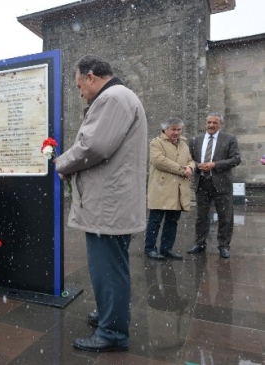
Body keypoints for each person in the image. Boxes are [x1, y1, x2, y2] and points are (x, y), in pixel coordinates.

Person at [54, 55, 147, 352]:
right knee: (109, 268)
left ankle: (113, 332)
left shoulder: (113, 98)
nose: (80, 92)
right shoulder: (121, 97)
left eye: (80, 85)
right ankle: (111, 315)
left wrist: (61, 163)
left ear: (91, 76)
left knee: (108, 269)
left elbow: (94, 146)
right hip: (111, 201)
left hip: (109, 203)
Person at [187, 112, 240, 259]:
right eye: (209, 122)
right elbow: (189, 159)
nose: (211, 125)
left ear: (220, 124)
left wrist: (215, 165)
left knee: (225, 217)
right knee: (201, 216)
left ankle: (224, 246)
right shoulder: (195, 140)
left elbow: (236, 159)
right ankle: (199, 243)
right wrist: (198, 166)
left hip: (222, 185)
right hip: (202, 183)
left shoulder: (229, 139)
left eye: (214, 123)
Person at [144, 118, 195, 261]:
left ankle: (166, 248)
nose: (176, 132)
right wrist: (181, 169)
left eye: (179, 129)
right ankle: (150, 249)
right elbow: (159, 161)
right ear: (165, 129)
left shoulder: (183, 144)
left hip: (178, 189)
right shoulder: (156, 142)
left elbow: (190, 160)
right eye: (173, 129)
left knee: (172, 221)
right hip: (161, 188)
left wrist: (190, 167)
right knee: (155, 220)